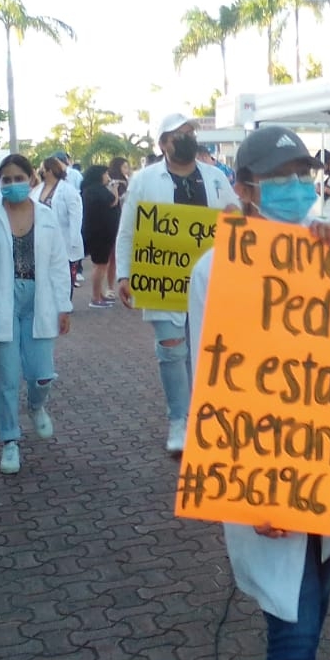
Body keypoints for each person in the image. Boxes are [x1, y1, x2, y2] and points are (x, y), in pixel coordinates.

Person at [187, 125, 330, 660]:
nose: (296, 185)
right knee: (291, 630)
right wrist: (255, 489)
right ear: (245, 188)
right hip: (269, 476)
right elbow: (213, 385)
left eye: (304, 171)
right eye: (280, 175)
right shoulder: (214, 269)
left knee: (318, 599)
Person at [116, 113, 239, 454]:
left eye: (191, 132)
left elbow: (238, 215)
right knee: (171, 351)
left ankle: (205, 415)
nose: (187, 137)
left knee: (206, 348)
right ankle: (178, 421)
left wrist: (235, 214)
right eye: (180, 133)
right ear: (163, 143)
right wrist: (124, 274)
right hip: (162, 279)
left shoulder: (215, 177)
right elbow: (128, 229)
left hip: (211, 281)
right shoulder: (143, 180)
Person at [0, 154, 72, 476]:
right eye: (5, 180)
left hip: (39, 302)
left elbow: (57, 265)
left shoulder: (46, 216)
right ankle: (10, 440)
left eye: (17, 179)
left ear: (31, 178)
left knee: (42, 374)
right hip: (0, 303)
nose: (12, 185)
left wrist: (64, 305)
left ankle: (36, 405)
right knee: (7, 379)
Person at [32, 155, 84, 297]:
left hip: (63, 242)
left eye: (43, 169)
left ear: (50, 170)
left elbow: (76, 218)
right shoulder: (37, 190)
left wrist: (73, 242)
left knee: (63, 282)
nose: (40, 171)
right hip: (41, 242)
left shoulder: (68, 191)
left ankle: (63, 310)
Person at [80, 165, 120, 308]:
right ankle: (96, 297)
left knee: (102, 265)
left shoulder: (89, 190)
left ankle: (100, 294)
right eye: (105, 174)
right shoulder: (96, 190)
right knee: (100, 265)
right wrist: (114, 188)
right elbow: (113, 200)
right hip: (100, 233)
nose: (107, 177)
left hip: (101, 232)